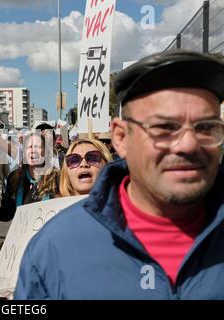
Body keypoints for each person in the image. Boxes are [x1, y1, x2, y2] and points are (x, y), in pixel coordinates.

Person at [15, 50, 224, 299]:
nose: (188, 145)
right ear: (121, 138)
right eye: (164, 127)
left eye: (206, 127)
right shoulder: (52, 249)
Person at [0, 133, 59, 222]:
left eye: (37, 147)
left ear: (45, 151)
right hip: (24, 234)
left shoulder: (56, 178)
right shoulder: (15, 178)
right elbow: (7, 214)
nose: (33, 150)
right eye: (29, 147)